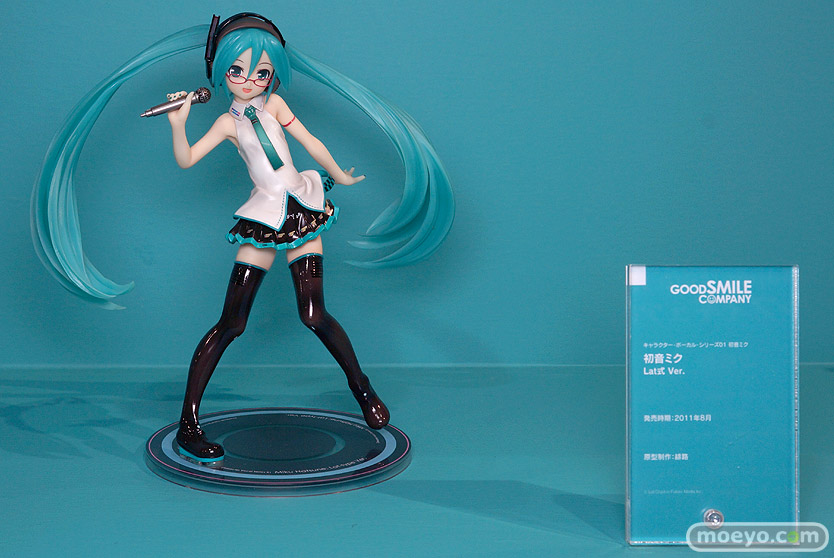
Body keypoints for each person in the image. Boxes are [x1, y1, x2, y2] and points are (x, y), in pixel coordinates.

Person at [32, 13, 454, 462]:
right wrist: (178, 124)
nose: (250, 81)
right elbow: (187, 159)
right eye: (238, 71)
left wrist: (338, 174)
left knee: (314, 314)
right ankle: (189, 423)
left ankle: (363, 389)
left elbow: (309, 140)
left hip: (304, 208)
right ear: (220, 70)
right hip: (265, 217)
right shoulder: (227, 124)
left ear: (273, 75)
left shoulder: (275, 105)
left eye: (262, 73)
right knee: (232, 322)